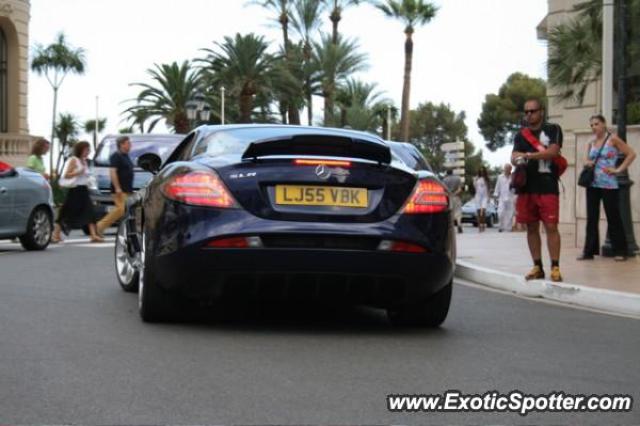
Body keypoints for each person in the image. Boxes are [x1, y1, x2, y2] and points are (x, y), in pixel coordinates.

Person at [511, 98, 564, 282]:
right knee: (531, 228)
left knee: (551, 226)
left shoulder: (553, 129)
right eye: (526, 112)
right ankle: (537, 266)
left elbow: (553, 152)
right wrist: (518, 158)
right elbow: (513, 157)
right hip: (526, 188)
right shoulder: (520, 135)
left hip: (548, 186)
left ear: (541, 111)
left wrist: (526, 155)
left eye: (532, 111)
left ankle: (555, 267)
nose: (529, 115)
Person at [578, 114, 636, 261]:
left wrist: (618, 170)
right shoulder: (590, 142)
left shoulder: (613, 139)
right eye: (591, 125)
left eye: (596, 124)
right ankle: (588, 252)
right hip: (592, 184)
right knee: (592, 218)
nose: (593, 127)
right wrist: (587, 162)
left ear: (604, 124)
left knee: (613, 217)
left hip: (609, 184)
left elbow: (631, 154)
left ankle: (621, 251)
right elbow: (584, 158)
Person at [52, 141, 103, 243]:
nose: (88, 152)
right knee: (66, 212)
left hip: (84, 190)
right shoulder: (74, 160)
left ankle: (93, 235)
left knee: (90, 212)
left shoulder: (84, 161)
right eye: (86, 150)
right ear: (80, 149)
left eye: (88, 150)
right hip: (75, 190)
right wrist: (78, 172)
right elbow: (66, 175)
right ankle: (55, 234)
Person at [96, 135, 134, 235]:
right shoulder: (116, 156)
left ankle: (127, 231)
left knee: (126, 211)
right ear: (121, 145)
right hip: (119, 189)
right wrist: (117, 187)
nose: (130, 145)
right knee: (121, 210)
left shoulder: (126, 156)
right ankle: (100, 226)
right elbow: (113, 172)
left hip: (127, 189)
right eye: (128, 143)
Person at [493, 163, 515, 232]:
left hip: (510, 198)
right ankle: (501, 226)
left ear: (510, 169)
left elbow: (515, 188)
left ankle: (508, 228)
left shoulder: (513, 177)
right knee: (500, 212)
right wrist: (495, 195)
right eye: (505, 168)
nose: (506, 170)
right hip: (502, 198)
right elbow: (497, 186)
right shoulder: (500, 177)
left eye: (508, 168)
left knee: (510, 213)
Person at [442, 169, 463, 233]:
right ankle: (459, 224)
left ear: (447, 173)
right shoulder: (458, 179)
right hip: (456, 197)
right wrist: (455, 193)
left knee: (450, 212)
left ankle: (451, 227)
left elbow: (443, 190)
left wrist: (449, 194)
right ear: (452, 172)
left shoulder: (444, 180)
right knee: (458, 212)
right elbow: (460, 189)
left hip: (448, 197)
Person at [473, 167, 490, 232]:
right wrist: (475, 180)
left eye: (483, 171)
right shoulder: (476, 178)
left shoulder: (487, 179)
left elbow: (488, 189)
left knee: (483, 211)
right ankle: (480, 225)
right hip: (478, 196)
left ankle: (483, 224)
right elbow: (475, 188)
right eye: (481, 171)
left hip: (484, 197)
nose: (482, 172)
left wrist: (489, 197)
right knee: (478, 211)